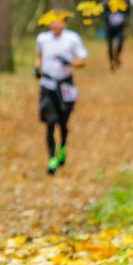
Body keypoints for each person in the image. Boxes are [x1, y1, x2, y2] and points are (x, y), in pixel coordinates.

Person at [34, 12, 87, 175]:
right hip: (48, 84)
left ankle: (62, 146)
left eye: (58, 22)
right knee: (50, 122)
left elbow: (83, 61)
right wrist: (37, 68)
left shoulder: (72, 39)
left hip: (66, 84)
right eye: (52, 22)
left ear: (64, 24)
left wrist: (70, 62)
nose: (55, 25)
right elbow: (38, 56)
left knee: (63, 122)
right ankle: (51, 158)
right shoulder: (42, 38)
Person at [102, 0, 129, 71]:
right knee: (110, 46)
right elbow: (102, 14)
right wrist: (108, 15)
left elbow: (127, 13)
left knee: (120, 44)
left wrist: (124, 19)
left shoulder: (123, 1)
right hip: (110, 27)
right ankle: (112, 63)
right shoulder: (106, 2)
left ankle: (117, 56)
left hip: (120, 26)